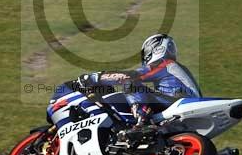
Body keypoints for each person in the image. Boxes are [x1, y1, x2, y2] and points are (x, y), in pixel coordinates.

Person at [48, 34, 200, 129]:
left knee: (130, 83)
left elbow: (130, 76)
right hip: (180, 104)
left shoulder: (165, 63)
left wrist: (94, 78)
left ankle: (141, 122)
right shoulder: (175, 69)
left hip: (179, 102)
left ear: (155, 49)